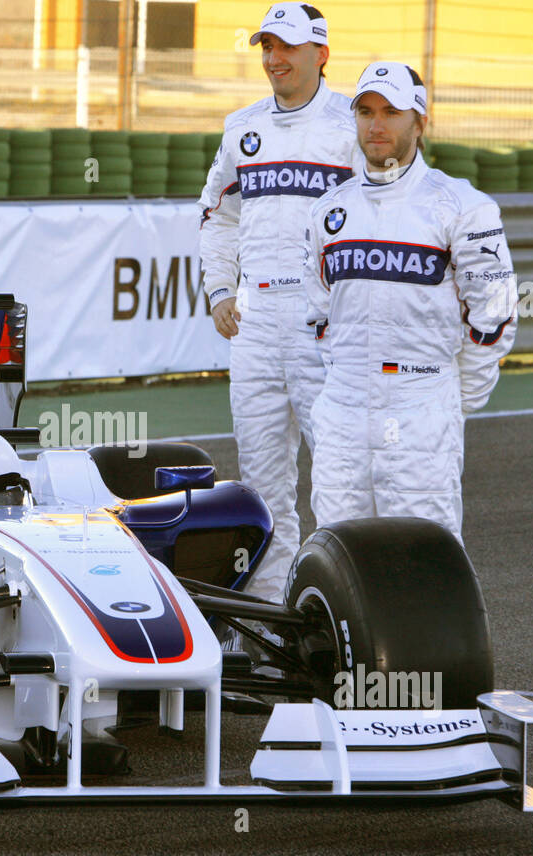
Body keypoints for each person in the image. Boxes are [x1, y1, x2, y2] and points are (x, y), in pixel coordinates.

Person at [303, 62, 518, 541]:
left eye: (391, 112)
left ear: (420, 121)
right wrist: (348, 376)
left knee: (424, 553)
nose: (376, 125)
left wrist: (446, 399)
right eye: (365, 111)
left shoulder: (463, 206)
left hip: (421, 406)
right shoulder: (327, 211)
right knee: (338, 552)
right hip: (342, 406)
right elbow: (319, 313)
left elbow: (495, 314)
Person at [198, 2, 358, 605]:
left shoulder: (355, 126)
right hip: (256, 323)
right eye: (267, 46)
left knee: (341, 483)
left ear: (320, 52)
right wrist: (219, 290)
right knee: (262, 490)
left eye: (287, 47)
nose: (274, 59)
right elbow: (217, 216)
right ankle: (271, 626)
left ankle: (349, 618)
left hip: (327, 327)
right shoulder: (241, 127)